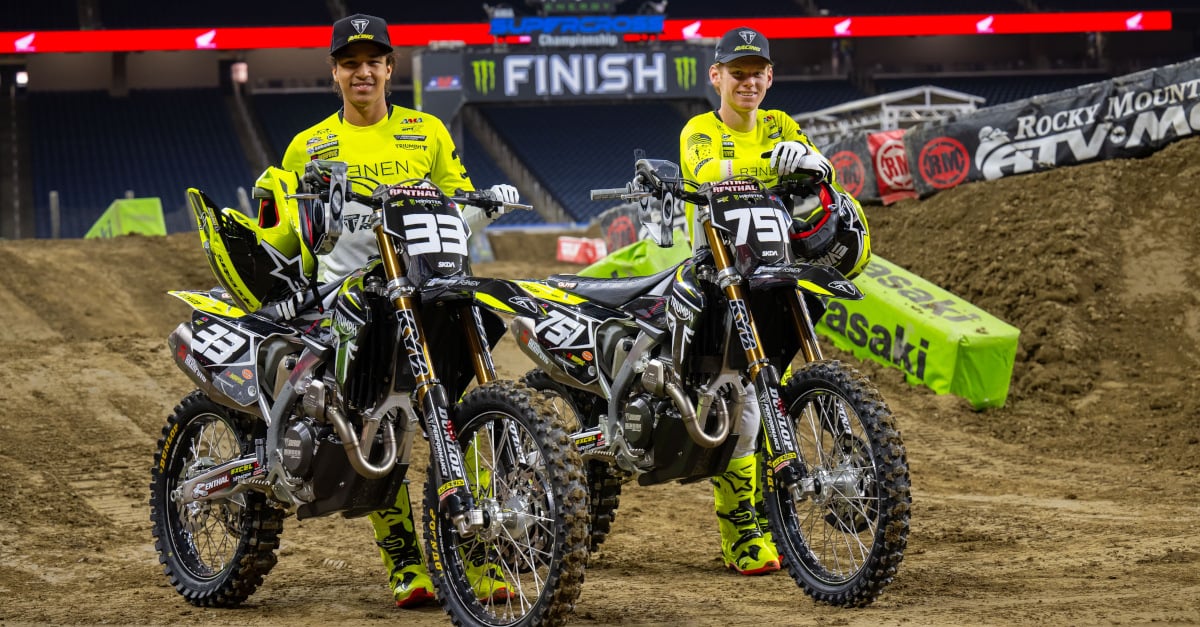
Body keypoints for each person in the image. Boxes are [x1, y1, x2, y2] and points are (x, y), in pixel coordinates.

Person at [280, 13, 519, 607]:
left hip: (428, 288)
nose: (363, 71)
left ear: (391, 67)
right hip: (352, 298)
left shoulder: (428, 131)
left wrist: (486, 207)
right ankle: (405, 560)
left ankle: (482, 552)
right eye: (350, 62)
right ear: (335, 72)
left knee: (462, 416)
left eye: (373, 61)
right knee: (374, 422)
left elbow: (458, 202)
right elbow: (289, 234)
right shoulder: (308, 146)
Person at [679, 27, 871, 576]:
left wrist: (813, 162)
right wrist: (771, 164)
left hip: (777, 268)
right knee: (739, 400)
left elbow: (820, 169)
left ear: (771, 76)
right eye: (738, 72)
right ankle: (739, 529)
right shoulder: (701, 129)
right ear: (716, 76)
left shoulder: (782, 123)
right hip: (719, 273)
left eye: (758, 71)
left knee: (770, 395)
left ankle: (774, 510)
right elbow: (702, 173)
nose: (750, 81)